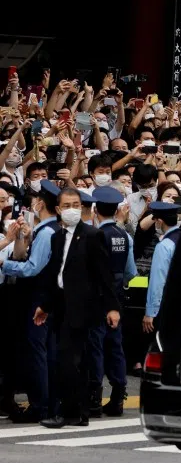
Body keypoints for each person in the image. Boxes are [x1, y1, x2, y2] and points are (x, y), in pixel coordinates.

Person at [33, 187, 120, 428]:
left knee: (69, 361)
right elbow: (56, 273)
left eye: (76, 205)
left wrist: (112, 308)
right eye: (67, 205)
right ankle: (79, 412)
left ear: (82, 207)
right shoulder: (57, 236)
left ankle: (69, 412)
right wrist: (45, 306)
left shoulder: (92, 235)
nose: (72, 209)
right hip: (62, 306)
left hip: (83, 309)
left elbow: (105, 274)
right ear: (59, 209)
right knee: (71, 361)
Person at [0, 180, 62, 423]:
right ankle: (46, 403)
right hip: (44, 298)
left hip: (39, 298)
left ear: (39, 203)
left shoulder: (47, 233)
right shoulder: (50, 231)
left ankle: (41, 405)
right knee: (45, 353)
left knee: (39, 354)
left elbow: (32, 268)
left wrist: (6, 264)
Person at [89, 186, 137, 416]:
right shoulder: (124, 236)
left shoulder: (97, 235)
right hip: (117, 298)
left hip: (98, 299)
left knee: (96, 348)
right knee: (115, 347)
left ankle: (94, 397)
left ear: (95, 210)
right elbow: (130, 272)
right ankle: (118, 395)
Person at [143, 202, 181, 337]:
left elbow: (158, 281)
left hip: (166, 307)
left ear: (159, 221)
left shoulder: (164, 245)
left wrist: (150, 312)